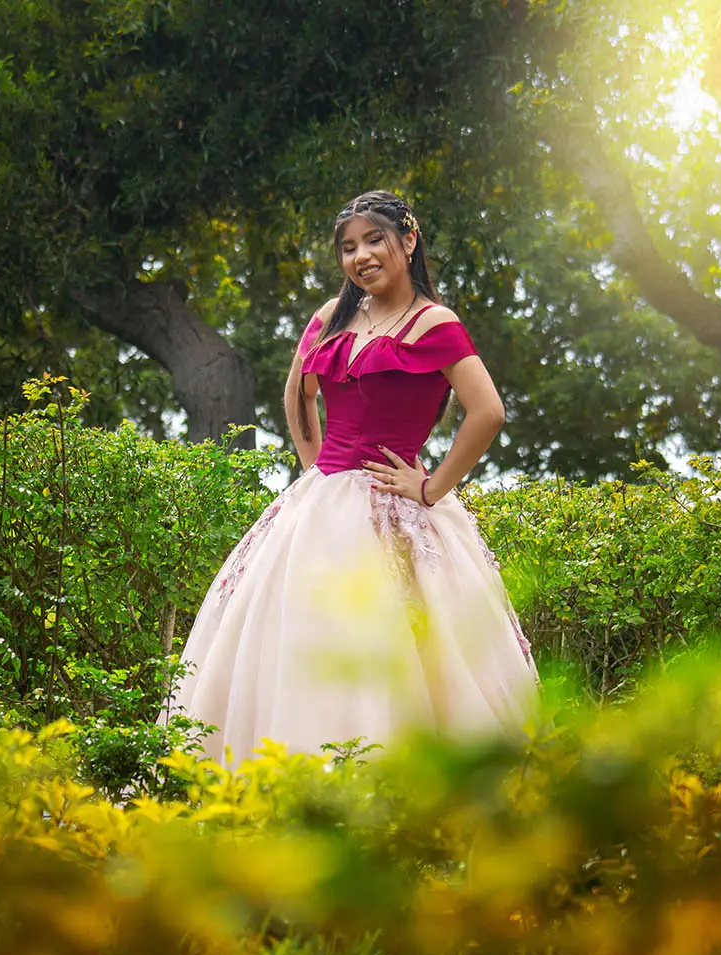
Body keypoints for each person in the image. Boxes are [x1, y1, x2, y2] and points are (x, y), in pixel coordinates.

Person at [166, 190, 539, 762]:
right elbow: (299, 392)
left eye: (373, 240)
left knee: (406, 648)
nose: (360, 256)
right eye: (348, 247)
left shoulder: (433, 322)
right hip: (319, 508)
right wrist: (317, 465)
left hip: (399, 506)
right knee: (300, 638)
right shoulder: (329, 318)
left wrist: (431, 486)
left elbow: (487, 411)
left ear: (408, 242)